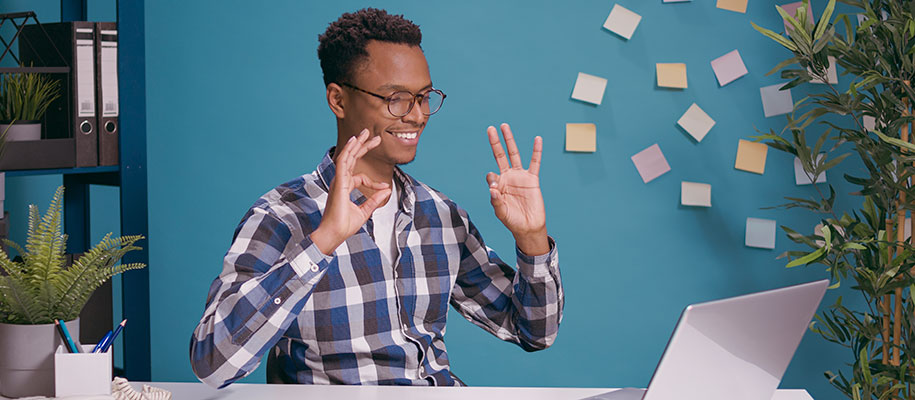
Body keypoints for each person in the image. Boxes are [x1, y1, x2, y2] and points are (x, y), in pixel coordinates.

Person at [189, 8, 563, 388]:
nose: (417, 116)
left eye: (423, 97)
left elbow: (534, 331)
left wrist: (531, 237)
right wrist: (323, 242)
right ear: (338, 100)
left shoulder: (440, 216)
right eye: (396, 98)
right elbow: (211, 364)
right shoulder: (282, 216)